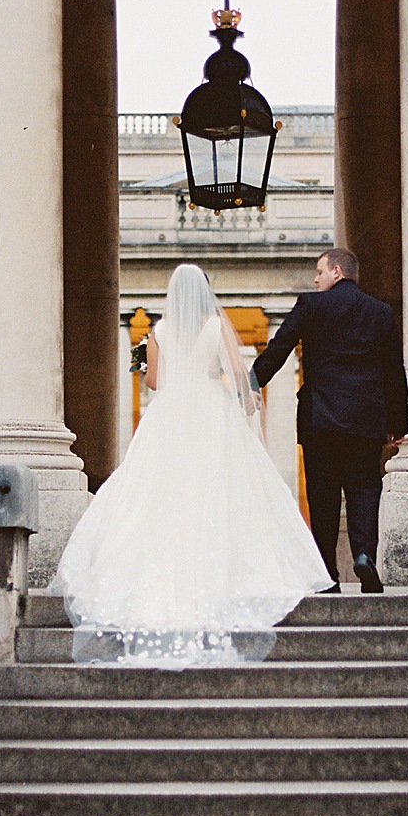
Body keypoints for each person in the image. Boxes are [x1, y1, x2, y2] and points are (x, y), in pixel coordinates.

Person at [53, 264, 332, 664]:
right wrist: (246, 397)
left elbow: (152, 382)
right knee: (216, 487)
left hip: (168, 412)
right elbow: (238, 373)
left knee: (158, 491)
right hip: (208, 407)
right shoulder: (215, 326)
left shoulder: (159, 331)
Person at [250, 248, 408, 594]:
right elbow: (394, 371)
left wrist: (249, 382)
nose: (315, 278)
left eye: (319, 272)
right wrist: (398, 424)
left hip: (320, 419)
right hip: (366, 420)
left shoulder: (310, 305)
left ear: (336, 271)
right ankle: (365, 555)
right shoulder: (380, 312)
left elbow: (279, 349)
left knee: (322, 497)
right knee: (365, 489)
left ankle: (328, 575)